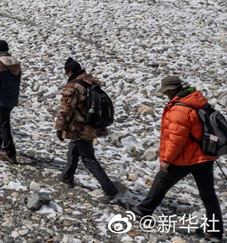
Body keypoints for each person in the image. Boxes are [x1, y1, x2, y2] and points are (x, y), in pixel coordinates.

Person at [134, 75, 223, 242]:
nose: (165, 94)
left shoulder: (179, 109)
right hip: (205, 154)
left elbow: (176, 140)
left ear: (173, 89)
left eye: (166, 91)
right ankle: (215, 233)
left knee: (162, 180)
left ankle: (143, 211)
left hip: (187, 157)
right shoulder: (196, 100)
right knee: (208, 194)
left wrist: (166, 160)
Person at [55, 57, 125, 203]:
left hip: (80, 127)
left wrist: (59, 127)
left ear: (70, 72)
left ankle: (111, 190)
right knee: (74, 148)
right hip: (92, 125)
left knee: (88, 158)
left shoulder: (73, 86)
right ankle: (67, 176)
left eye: (67, 73)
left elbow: (65, 109)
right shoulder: (92, 82)